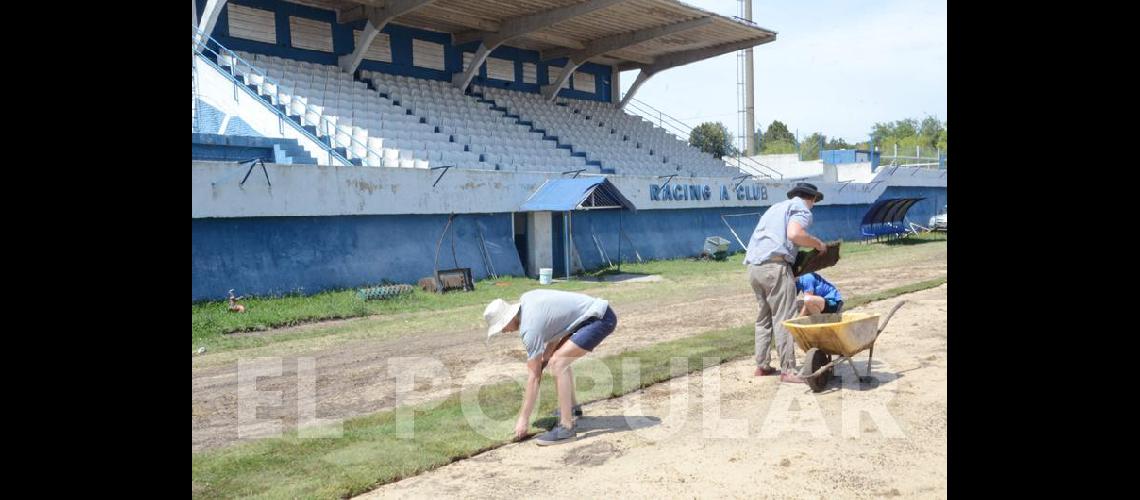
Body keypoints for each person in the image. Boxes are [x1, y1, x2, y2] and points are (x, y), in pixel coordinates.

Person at [484, 289, 618, 446]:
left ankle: (566, 428)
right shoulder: (527, 299)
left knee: (558, 362)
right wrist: (546, 355)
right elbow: (558, 324)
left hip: (599, 319)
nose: (503, 331)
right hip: (593, 315)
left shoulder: (529, 330)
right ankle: (573, 408)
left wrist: (523, 419)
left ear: (509, 318)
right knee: (557, 359)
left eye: (502, 327)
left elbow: (534, 378)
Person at [742, 182, 829, 383]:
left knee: (763, 317)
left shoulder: (775, 208)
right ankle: (788, 370)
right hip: (775, 267)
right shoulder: (802, 209)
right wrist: (818, 244)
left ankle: (762, 366)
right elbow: (795, 234)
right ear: (812, 198)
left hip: (754, 268)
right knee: (785, 317)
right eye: (815, 201)